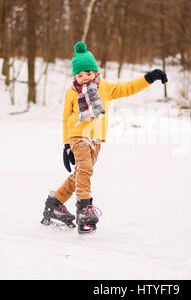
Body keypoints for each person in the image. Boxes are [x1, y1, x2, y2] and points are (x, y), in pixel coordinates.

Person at [41, 41, 168, 234]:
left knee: (80, 174)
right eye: (80, 75)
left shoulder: (105, 88)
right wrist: (67, 145)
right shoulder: (71, 92)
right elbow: (66, 118)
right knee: (85, 169)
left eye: (89, 73)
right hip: (78, 135)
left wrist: (149, 78)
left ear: (96, 72)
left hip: (96, 140)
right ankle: (84, 209)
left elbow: (128, 88)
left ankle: (55, 203)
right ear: (75, 75)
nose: (85, 78)